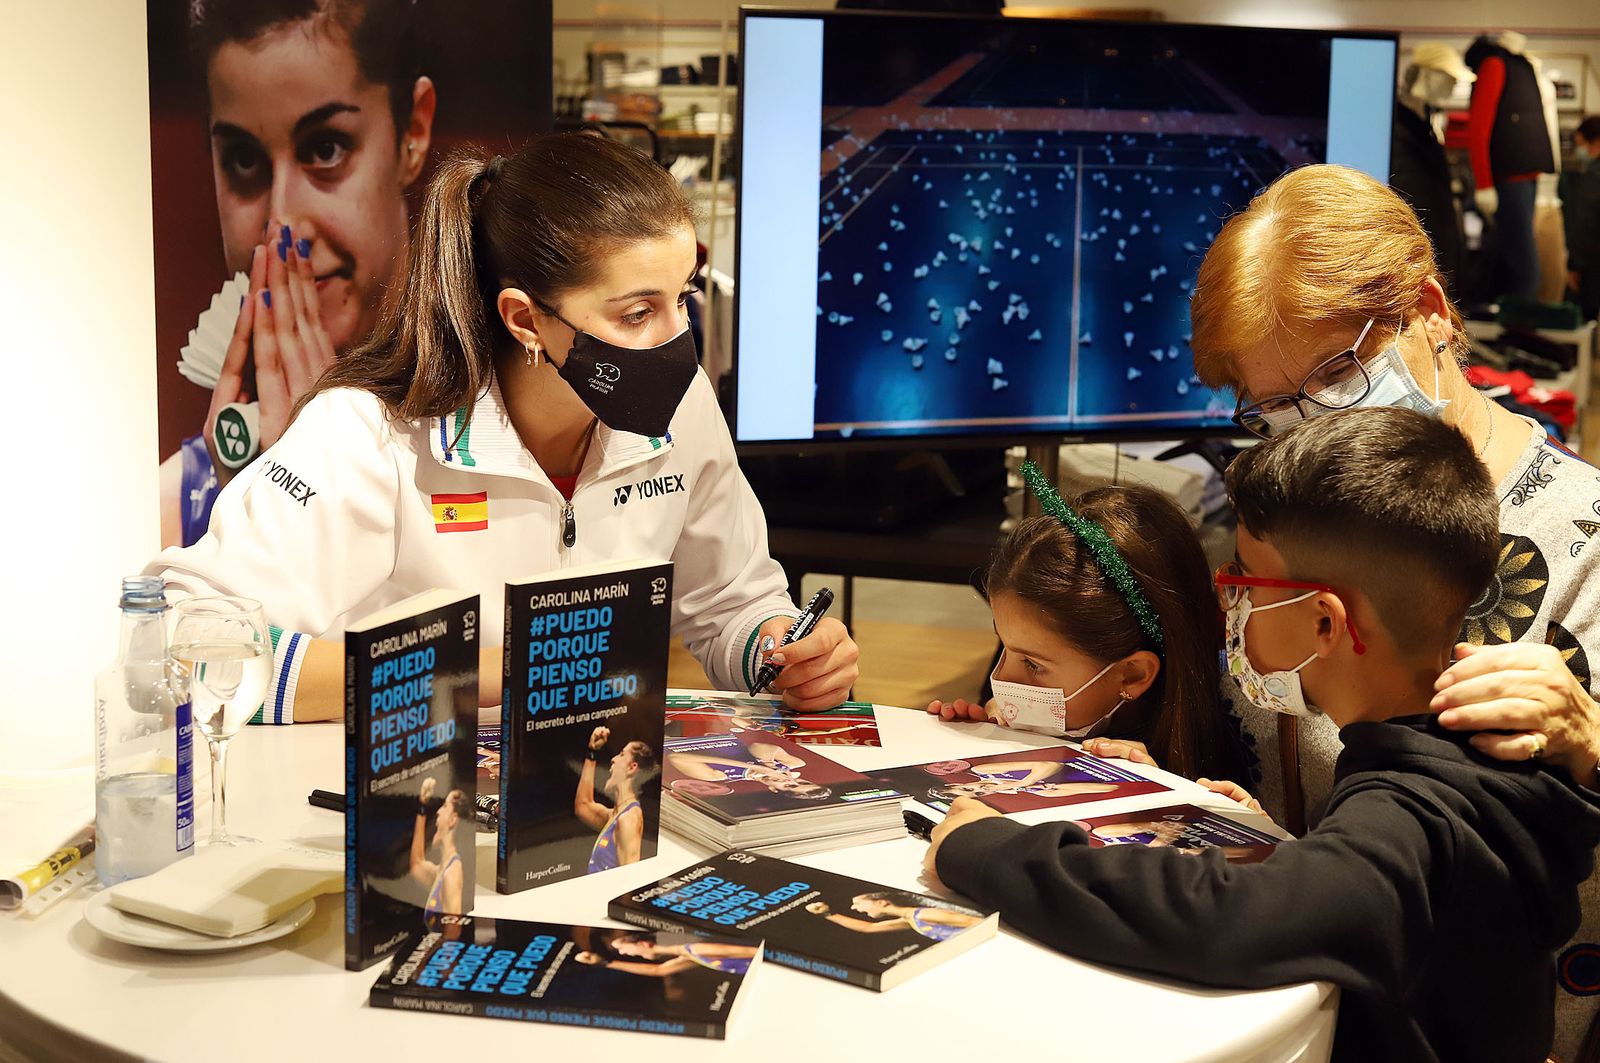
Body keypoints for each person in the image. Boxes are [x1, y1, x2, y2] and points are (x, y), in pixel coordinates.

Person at [926, 408, 1600, 1063]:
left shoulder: (1408, 817)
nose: (1231, 605)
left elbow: (1235, 917)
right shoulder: (1493, 760)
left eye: (1245, 582)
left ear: (1325, 624)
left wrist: (985, 851)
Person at [145, 133, 860, 725]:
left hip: (595, 804)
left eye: (684, 297)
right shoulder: (370, 432)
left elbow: (730, 599)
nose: (680, 341)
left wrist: (783, 647)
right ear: (525, 319)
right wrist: (502, 672)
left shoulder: (683, 405)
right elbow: (181, 643)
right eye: (637, 314)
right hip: (386, 829)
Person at [1189, 160, 1600, 1062]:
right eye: (1273, 406)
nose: (1314, 422)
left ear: (1431, 312)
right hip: (1275, 1004)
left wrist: (1592, 738)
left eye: (1341, 371)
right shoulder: (1278, 520)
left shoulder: (1586, 542)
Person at [160, 0, 438, 549]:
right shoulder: (167, 509)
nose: (281, 222)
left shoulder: (498, 456)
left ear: (413, 131)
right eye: (242, 160)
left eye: (326, 148)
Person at [926, 476, 1249, 785]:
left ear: (1132, 675)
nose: (1002, 683)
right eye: (1004, 646)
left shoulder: (1231, 754)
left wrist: (1158, 796)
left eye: (1033, 664)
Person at [575, 725, 652, 873]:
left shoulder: (629, 819)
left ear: (632, 767)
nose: (613, 759)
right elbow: (583, 806)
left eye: (621, 755)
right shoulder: (615, 815)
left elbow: (629, 881)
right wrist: (592, 752)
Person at [667, 741, 832, 799]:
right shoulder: (792, 764)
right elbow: (757, 747)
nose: (790, 780)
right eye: (801, 782)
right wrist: (768, 765)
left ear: (774, 789)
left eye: (790, 786)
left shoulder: (718, 776)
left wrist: (750, 767)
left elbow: (676, 758)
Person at [921, 759, 1119, 804]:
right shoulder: (1040, 793)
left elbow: (1049, 764)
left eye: (969, 788)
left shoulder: (983, 771)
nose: (982, 788)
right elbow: (1109, 787)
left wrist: (1021, 782)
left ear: (953, 784)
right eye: (979, 794)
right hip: (1107, 771)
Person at [804, 892, 983, 941]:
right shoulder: (909, 918)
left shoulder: (923, 914)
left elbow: (975, 922)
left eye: (858, 903)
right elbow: (869, 928)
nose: (854, 907)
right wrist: (827, 914)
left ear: (882, 902)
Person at [409, 776, 465, 918]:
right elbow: (416, 864)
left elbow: (452, 931)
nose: (438, 811)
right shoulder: (442, 870)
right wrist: (422, 807)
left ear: (452, 819)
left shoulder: (451, 873)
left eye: (445, 806)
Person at [574, 936, 759, 977]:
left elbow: (752, 953)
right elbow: (658, 970)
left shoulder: (696, 948)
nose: (624, 954)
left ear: (644, 944)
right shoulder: (688, 953)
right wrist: (605, 963)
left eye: (623, 948)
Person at [1563, 115, 1600, 320]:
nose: (1580, 151)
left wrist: (1574, 265)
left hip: (1593, 266)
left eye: (1582, 144)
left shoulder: (1593, 176)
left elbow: (1585, 222)